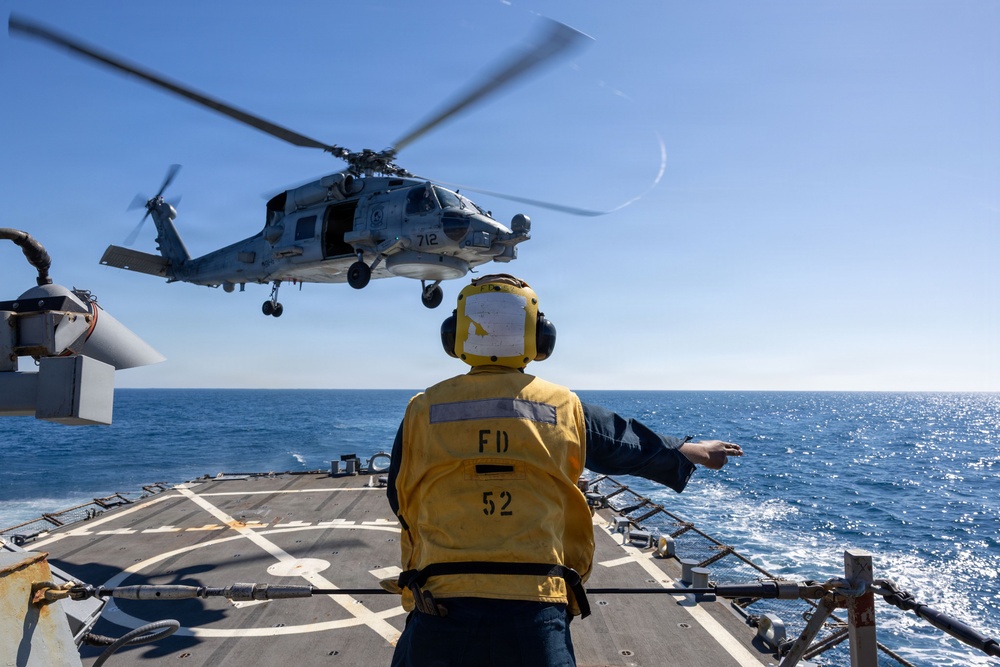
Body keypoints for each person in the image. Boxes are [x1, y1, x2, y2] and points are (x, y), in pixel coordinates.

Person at [386, 274, 743, 667]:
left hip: (439, 604)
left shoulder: (423, 409)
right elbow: (625, 444)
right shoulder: (560, 407)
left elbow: (400, 498)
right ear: (540, 338)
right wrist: (693, 451)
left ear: (454, 336)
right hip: (536, 606)